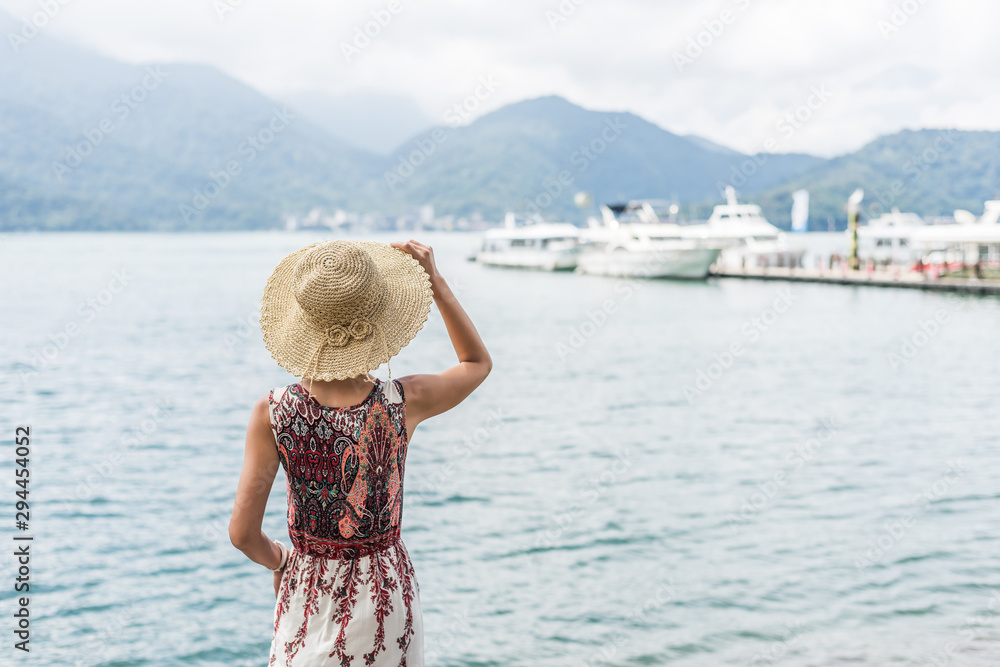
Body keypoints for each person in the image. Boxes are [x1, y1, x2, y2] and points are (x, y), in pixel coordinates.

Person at [228, 239, 491, 666]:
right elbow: (476, 363)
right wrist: (436, 281)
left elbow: (242, 534)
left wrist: (280, 560)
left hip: (308, 590)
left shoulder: (273, 413)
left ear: (304, 323)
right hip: (386, 593)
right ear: (379, 318)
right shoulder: (405, 401)